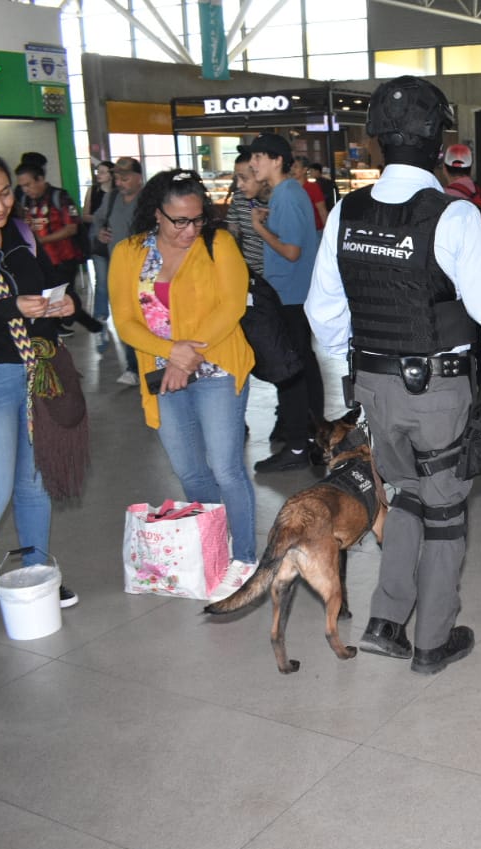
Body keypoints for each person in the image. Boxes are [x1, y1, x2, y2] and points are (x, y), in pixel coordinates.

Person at [306, 75, 481, 673]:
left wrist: (350, 374)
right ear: (439, 143)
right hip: (435, 389)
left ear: (377, 142)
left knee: (405, 493)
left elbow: (323, 312)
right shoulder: (452, 216)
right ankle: (433, 640)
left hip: (375, 388)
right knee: (444, 510)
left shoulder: (346, 211)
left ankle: (387, 621)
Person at [108, 169, 258, 593]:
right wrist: (172, 353)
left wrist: (186, 353)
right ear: (157, 214)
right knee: (189, 470)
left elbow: (231, 306)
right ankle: (214, 544)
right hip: (164, 374)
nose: (189, 230)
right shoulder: (129, 252)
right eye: (179, 221)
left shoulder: (219, 243)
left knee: (227, 467)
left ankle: (245, 558)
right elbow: (125, 320)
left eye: (196, 219)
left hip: (217, 368)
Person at [0, 146, 80, 637]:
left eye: (4, 194)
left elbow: (41, 286)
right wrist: (12, 307)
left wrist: (59, 306)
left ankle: (37, 571)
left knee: (35, 482)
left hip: (35, 370)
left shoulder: (19, 234)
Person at [247, 132, 325, 471]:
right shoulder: (286, 194)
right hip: (293, 293)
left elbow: (292, 252)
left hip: (291, 295)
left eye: (259, 157)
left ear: (277, 160)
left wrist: (258, 227)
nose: (253, 164)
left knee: (291, 368)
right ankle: (308, 433)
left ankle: (298, 445)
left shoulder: (288, 195)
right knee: (301, 364)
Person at [14, 158, 103, 339]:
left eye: (29, 184)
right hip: (37, 260)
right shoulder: (24, 201)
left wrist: (42, 239)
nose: (26, 189)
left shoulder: (59, 197)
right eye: (22, 186)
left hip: (63, 258)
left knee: (60, 296)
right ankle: (73, 326)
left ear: (40, 179)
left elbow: (72, 228)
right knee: (46, 297)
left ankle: (77, 325)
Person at [93, 157, 145, 385]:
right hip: (118, 270)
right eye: (117, 178)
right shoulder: (111, 198)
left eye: (125, 178)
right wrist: (100, 233)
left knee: (147, 320)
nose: (120, 183)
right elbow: (98, 220)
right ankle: (133, 367)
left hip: (146, 272)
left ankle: (149, 365)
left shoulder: (149, 200)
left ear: (138, 178)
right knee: (125, 319)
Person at [82, 160, 115, 336]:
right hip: (97, 239)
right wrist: (99, 219)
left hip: (116, 239)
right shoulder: (93, 192)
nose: (99, 175)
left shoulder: (118, 194)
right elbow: (84, 216)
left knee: (117, 279)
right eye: (98, 172)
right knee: (101, 280)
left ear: (111, 174)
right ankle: (100, 314)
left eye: (102, 171)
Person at [224, 150, 270, 273]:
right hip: (248, 272)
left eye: (244, 178)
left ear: (260, 175)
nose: (239, 185)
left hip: (274, 274)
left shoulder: (279, 202)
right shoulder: (239, 197)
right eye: (236, 178)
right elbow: (232, 233)